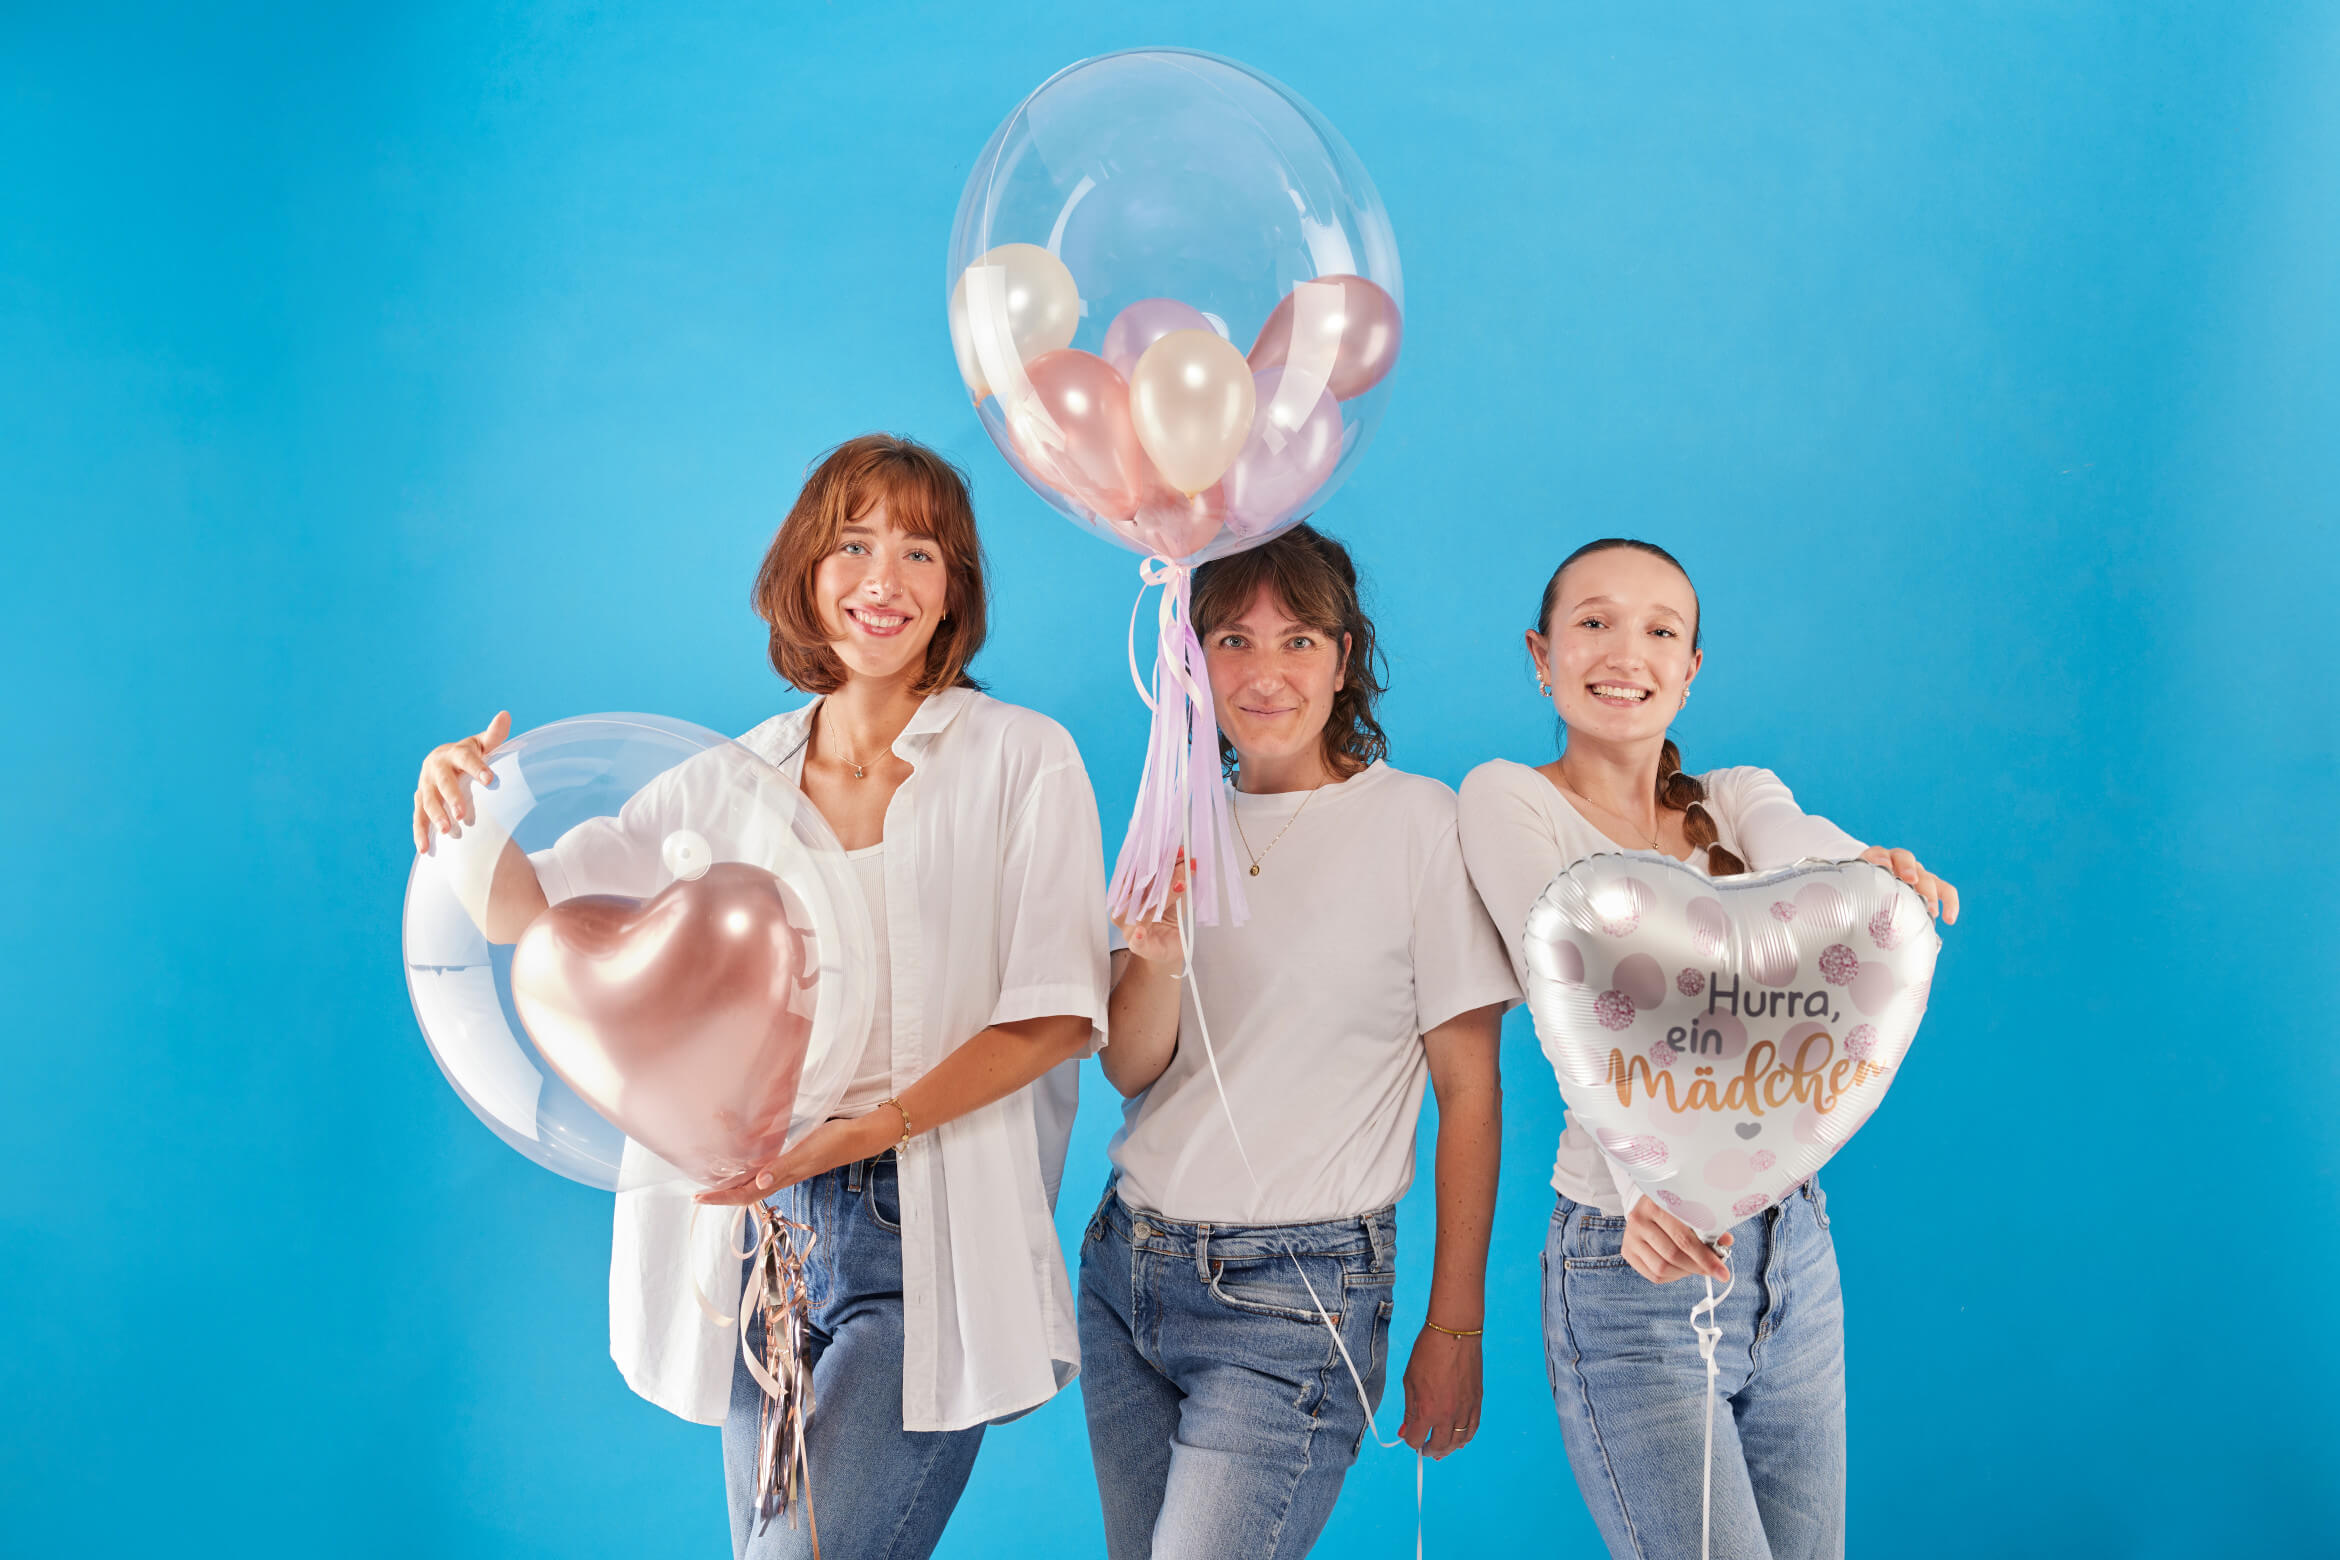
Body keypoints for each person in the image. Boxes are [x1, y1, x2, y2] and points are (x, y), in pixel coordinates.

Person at [411, 434, 1110, 1560]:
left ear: (954, 591)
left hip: (922, 1233)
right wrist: (461, 806)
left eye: (920, 552)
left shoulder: (1023, 761)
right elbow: (529, 915)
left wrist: (866, 1131)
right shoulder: (729, 781)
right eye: (853, 545)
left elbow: (1058, 1012)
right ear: (806, 572)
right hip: (764, 1247)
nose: (884, 579)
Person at [1456, 537, 1958, 1560]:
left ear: (1690, 670)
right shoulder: (1507, 798)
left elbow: (1803, 848)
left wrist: (1870, 873)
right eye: (1593, 622)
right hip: (1631, 1260)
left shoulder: (1737, 795)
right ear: (1541, 655)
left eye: (1659, 631)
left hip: (1794, 1252)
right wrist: (1643, 1182)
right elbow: (1569, 1000)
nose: (1624, 652)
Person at [1079, 524, 1518, 1559]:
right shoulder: (1171, 819)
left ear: (1343, 658)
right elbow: (1130, 1069)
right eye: (1232, 640)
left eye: (1299, 641)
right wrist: (1157, 958)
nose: (1264, 673)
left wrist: (1454, 1323)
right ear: (1191, 662)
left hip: (1298, 1294)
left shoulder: (1418, 823)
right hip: (1127, 1269)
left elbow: (1471, 1091)